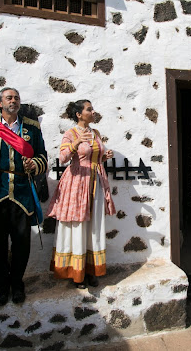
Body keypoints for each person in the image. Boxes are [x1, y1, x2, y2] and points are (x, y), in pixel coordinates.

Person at [0, 87, 47, 306]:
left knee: (22, 244)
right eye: (9, 98)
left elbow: (42, 155)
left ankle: (17, 284)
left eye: (16, 98)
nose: (13, 101)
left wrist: (35, 164)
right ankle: (2, 288)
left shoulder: (31, 128)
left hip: (22, 193)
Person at [47, 100, 116, 288]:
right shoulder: (70, 134)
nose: (93, 111)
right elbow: (62, 159)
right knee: (78, 225)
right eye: (89, 109)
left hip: (96, 182)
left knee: (94, 225)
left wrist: (104, 156)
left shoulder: (96, 133)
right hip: (77, 182)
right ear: (79, 114)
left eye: (92, 108)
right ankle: (76, 272)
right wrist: (76, 142)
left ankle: (91, 269)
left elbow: (95, 156)